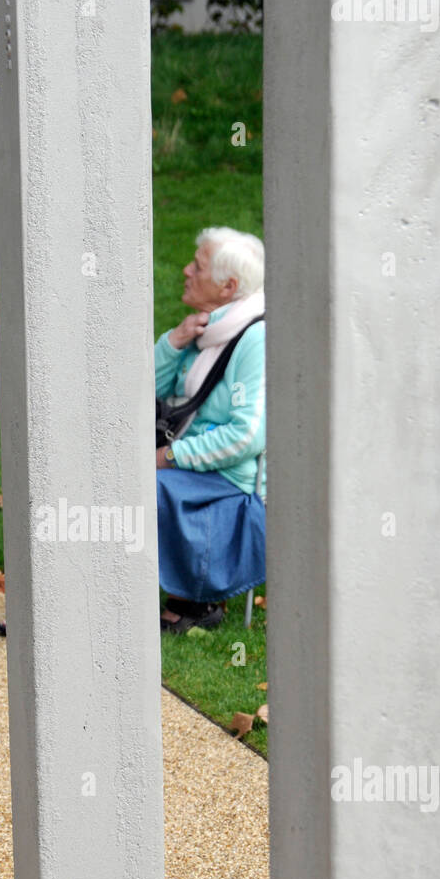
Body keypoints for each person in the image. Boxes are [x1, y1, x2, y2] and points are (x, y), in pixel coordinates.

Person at [155, 227, 266, 633]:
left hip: (229, 481)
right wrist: (173, 342)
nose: (186, 270)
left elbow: (245, 438)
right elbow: (138, 396)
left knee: (136, 488)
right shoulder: (210, 332)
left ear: (228, 287)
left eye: (197, 266)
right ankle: (67, 594)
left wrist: (167, 458)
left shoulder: (255, 339)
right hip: (192, 466)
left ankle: (195, 602)